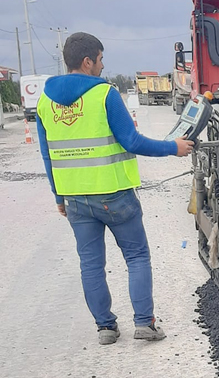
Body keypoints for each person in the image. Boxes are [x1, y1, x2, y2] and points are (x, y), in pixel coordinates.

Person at [36, 32, 194, 345]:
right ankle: (144, 325)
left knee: (91, 264)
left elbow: (47, 154)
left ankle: (106, 328)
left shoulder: (44, 100)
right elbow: (132, 141)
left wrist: (58, 195)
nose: (102, 64)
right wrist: (172, 147)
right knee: (136, 257)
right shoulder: (104, 94)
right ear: (87, 61)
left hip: (76, 199)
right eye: (100, 59)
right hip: (114, 195)